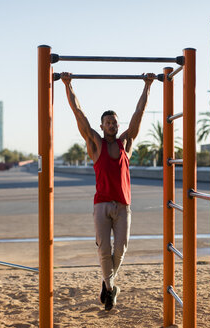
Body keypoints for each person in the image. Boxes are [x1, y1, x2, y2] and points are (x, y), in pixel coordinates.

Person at [61, 72, 156, 311]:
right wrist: (68, 84)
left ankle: (107, 284)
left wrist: (147, 86)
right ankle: (111, 288)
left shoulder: (126, 144)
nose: (112, 125)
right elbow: (78, 113)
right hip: (102, 205)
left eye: (115, 122)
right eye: (108, 122)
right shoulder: (95, 144)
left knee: (121, 249)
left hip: (123, 206)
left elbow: (139, 114)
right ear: (102, 126)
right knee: (104, 250)